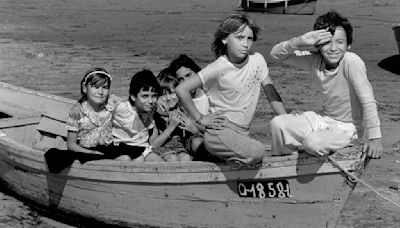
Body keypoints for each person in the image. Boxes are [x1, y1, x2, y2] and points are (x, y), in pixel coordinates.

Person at [269, 10, 382, 159]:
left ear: (349, 45)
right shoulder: (315, 60)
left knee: (312, 143)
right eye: (327, 42)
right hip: (323, 120)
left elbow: (368, 101)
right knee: (278, 124)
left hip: (348, 130)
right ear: (317, 45)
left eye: (340, 42)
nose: (333, 48)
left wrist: (375, 139)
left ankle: (323, 154)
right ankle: (284, 166)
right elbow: (276, 55)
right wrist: (299, 41)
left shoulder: (351, 61)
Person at [176, 14, 287, 165]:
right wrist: (201, 118)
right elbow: (182, 89)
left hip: (241, 133)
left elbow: (271, 92)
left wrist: (287, 120)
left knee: (259, 150)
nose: (245, 44)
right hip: (219, 131)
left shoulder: (258, 60)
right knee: (259, 151)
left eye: (249, 38)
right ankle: (220, 159)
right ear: (225, 39)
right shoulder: (218, 67)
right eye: (240, 38)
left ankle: (220, 159)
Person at [45, 68, 131, 172]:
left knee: (127, 157)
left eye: (105, 87)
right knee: (58, 158)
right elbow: (71, 145)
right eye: (95, 87)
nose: (100, 92)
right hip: (86, 151)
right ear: (85, 88)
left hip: (108, 148)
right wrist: (91, 153)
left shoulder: (111, 103)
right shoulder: (77, 112)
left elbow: (133, 103)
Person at [112, 69, 167, 162]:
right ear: (133, 96)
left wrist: (159, 100)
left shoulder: (151, 109)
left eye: (154, 96)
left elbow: (166, 108)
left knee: (161, 164)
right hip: (121, 147)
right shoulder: (122, 108)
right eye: (145, 96)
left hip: (142, 148)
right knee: (134, 160)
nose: (150, 101)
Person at [153, 70, 194, 162]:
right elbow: (153, 144)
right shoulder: (154, 114)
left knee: (185, 158)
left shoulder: (183, 109)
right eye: (163, 95)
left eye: (171, 93)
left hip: (179, 146)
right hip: (161, 146)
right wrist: (171, 126)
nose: (168, 98)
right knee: (172, 158)